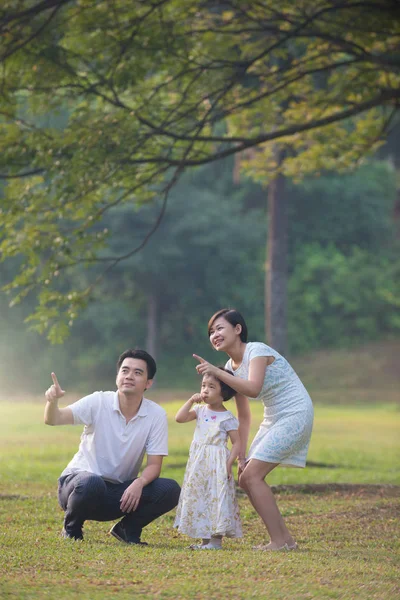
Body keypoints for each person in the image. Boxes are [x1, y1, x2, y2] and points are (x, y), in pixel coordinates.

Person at [194, 309, 314, 552]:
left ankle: (279, 542)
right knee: (245, 477)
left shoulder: (257, 351)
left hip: (295, 413)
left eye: (220, 328)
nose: (214, 334)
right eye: (211, 332)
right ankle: (286, 541)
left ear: (238, 329)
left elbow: (254, 388)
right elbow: (244, 415)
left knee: (252, 477)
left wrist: (216, 372)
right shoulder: (230, 365)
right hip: (273, 418)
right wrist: (240, 453)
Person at [44, 348, 180, 544]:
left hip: (118, 493)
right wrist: (52, 401)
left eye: (137, 372)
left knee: (170, 488)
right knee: (92, 483)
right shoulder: (98, 401)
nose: (129, 376)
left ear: (148, 383)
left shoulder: (156, 415)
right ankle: (71, 530)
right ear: (117, 377)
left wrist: (138, 483)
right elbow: (53, 419)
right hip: (78, 487)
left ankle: (127, 529)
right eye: (124, 371)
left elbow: (154, 465)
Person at [174, 368, 242, 550]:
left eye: (211, 387)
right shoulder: (199, 411)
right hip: (199, 463)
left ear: (224, 393)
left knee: (216, 497)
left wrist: (229, 464)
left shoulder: (227, 418)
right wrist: (190, 401)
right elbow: (179, 418)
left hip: (218, 464)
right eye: (203, 385)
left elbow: (237, 443)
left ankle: (216, 540)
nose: (205, 390)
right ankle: (205, 541)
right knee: (200, 496)